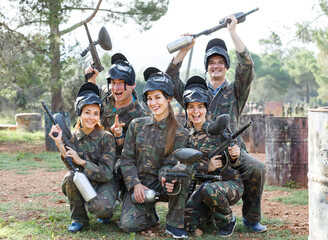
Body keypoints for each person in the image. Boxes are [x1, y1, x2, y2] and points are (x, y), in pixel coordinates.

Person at [165, 14, 267, 232]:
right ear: (207, 67)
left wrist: (232, 32)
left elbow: (247, 66)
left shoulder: (235, 91)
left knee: (256, 168)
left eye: (221, 62)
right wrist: (185, 48)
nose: (216, 66)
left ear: (227, 66)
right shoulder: (196, 94)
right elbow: (171, 81)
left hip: (231, 151)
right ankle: (205, 213)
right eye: (212, 63)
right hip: (199, 151)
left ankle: (251, 218)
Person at [119, 67, 189, 238]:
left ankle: (174, 223)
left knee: (180, 175)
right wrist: (135, 184)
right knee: (129, 225)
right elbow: (126, 158)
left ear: (168, 99)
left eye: (158, 97)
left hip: (164, 183)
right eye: (149, 98)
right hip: (141, 185)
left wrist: (167, 177)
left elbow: (172, 163)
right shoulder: (136, 125)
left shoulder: (180, 133)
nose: (153, 103)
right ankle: (149, 214)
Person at [49, 82, 116, 232]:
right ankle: (79, 219)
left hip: (105, 183)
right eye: (87, 112)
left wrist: (82, 162)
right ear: (80, 113)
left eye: (96, 113)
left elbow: (106, 174)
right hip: (85, 181)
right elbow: (71, 166)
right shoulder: (72, 137)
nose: (91, 117)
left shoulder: (107, 137)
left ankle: (107, 208)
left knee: (101, 210)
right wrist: (59, 142)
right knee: (70, 177)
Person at [183, 76, 244, 237]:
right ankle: (209, 212)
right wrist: (205, 166)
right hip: (200, 186)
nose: (196, 112)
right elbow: (181, 165)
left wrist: (234, 156)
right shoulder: (184, 135)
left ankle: (227, 220)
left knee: (210, 190)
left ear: (206, 108)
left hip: (228, 184)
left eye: (200, 107)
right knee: (186, 222)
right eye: (191, 107)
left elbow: (236, 162)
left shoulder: (218, 129)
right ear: (186, 109)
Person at [85, 53, 146, 198]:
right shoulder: (107, 96)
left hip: (122, 167)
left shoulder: (140, 116)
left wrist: (120, 136)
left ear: (132, 85)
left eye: (121, 83)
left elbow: (134, 154)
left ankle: (121, 194)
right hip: (99, 160)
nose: (116, 88)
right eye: (113, 82)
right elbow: (92, 95)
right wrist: (90, 78)